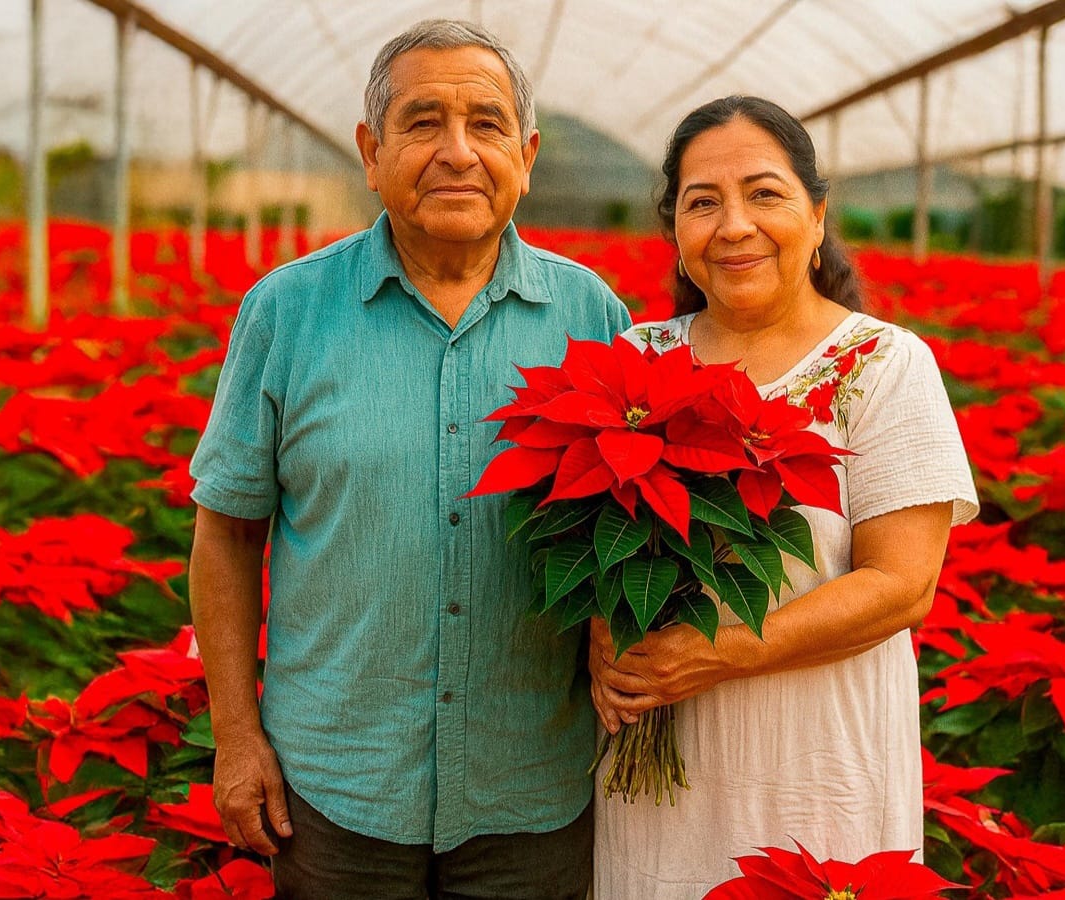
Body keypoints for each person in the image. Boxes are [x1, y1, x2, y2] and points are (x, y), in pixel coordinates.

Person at [187, 19, 630, 900]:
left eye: (487, 124)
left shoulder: (592, 315)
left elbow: (628, 527)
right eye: (423, 122)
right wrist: (237, 739)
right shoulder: (287, 310)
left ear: (527, 153)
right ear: (371, 150)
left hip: (531, 787)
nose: (457, 152)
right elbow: (227, 537)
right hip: (336, 790)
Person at [589, 95, 979, 898]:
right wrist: (602, 632)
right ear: (676, 231)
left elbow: (902, 586)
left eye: (764, 193)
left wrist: (716, 652)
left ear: (817, 214)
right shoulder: (637, 356)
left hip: (818, 761)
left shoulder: (882, 363)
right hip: (660, 766)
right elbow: (597, 538)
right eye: (703, 203)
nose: (734, 226)